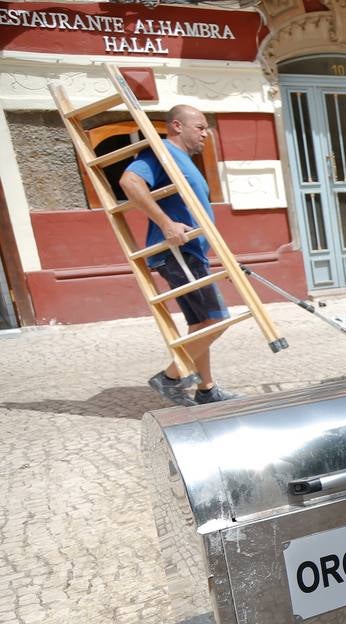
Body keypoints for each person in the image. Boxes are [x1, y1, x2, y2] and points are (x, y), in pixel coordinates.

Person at [120, 104, 237, 405]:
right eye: (199, 127)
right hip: (178, 251)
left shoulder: (184, 161)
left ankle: (206, 389)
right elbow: (129, 182)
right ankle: (170, 378)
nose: (206, 134)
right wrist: (166, 223)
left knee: (199, 324)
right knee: (216, 319)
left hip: (192, 252)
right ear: (176, 126)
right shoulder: (161, 153)